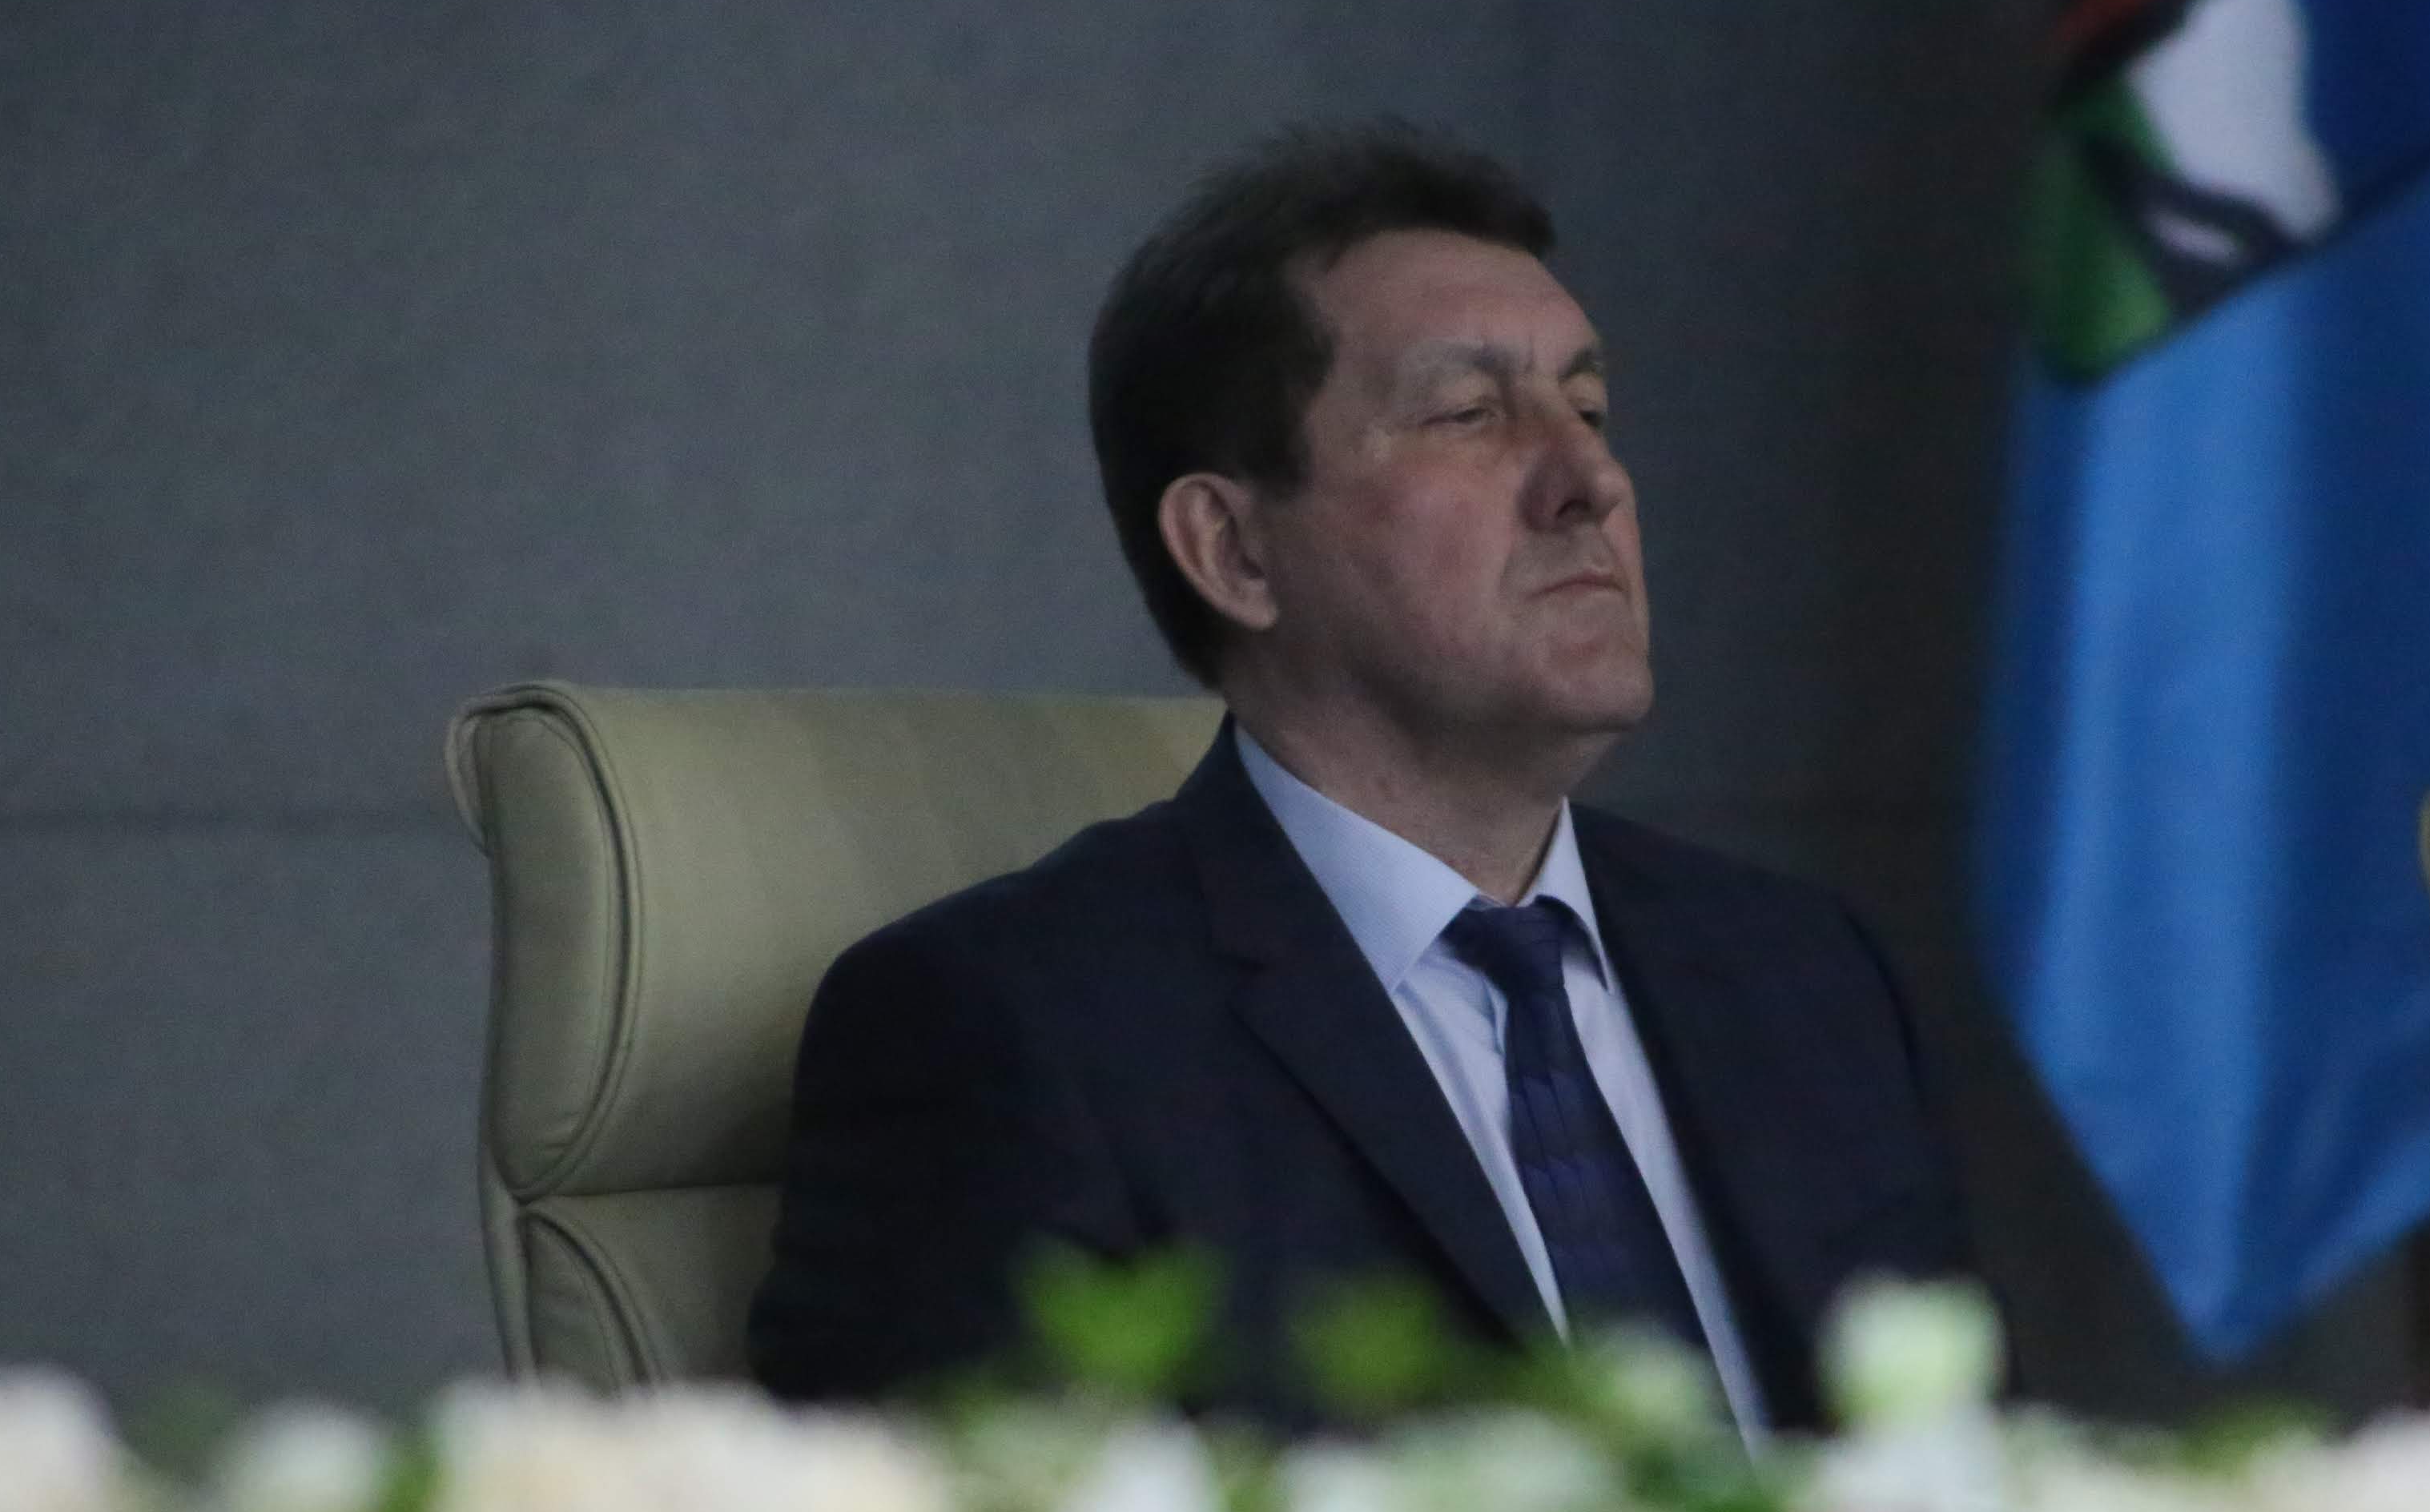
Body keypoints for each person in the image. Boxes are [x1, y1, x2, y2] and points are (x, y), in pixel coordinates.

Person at [748, 125, 1973, 1431]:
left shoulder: (1804, 974)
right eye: (1469, 414)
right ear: (1234, 551)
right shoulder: (1014, 1033)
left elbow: (1977, 1487)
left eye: (1589, 410)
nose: (1591, 481)